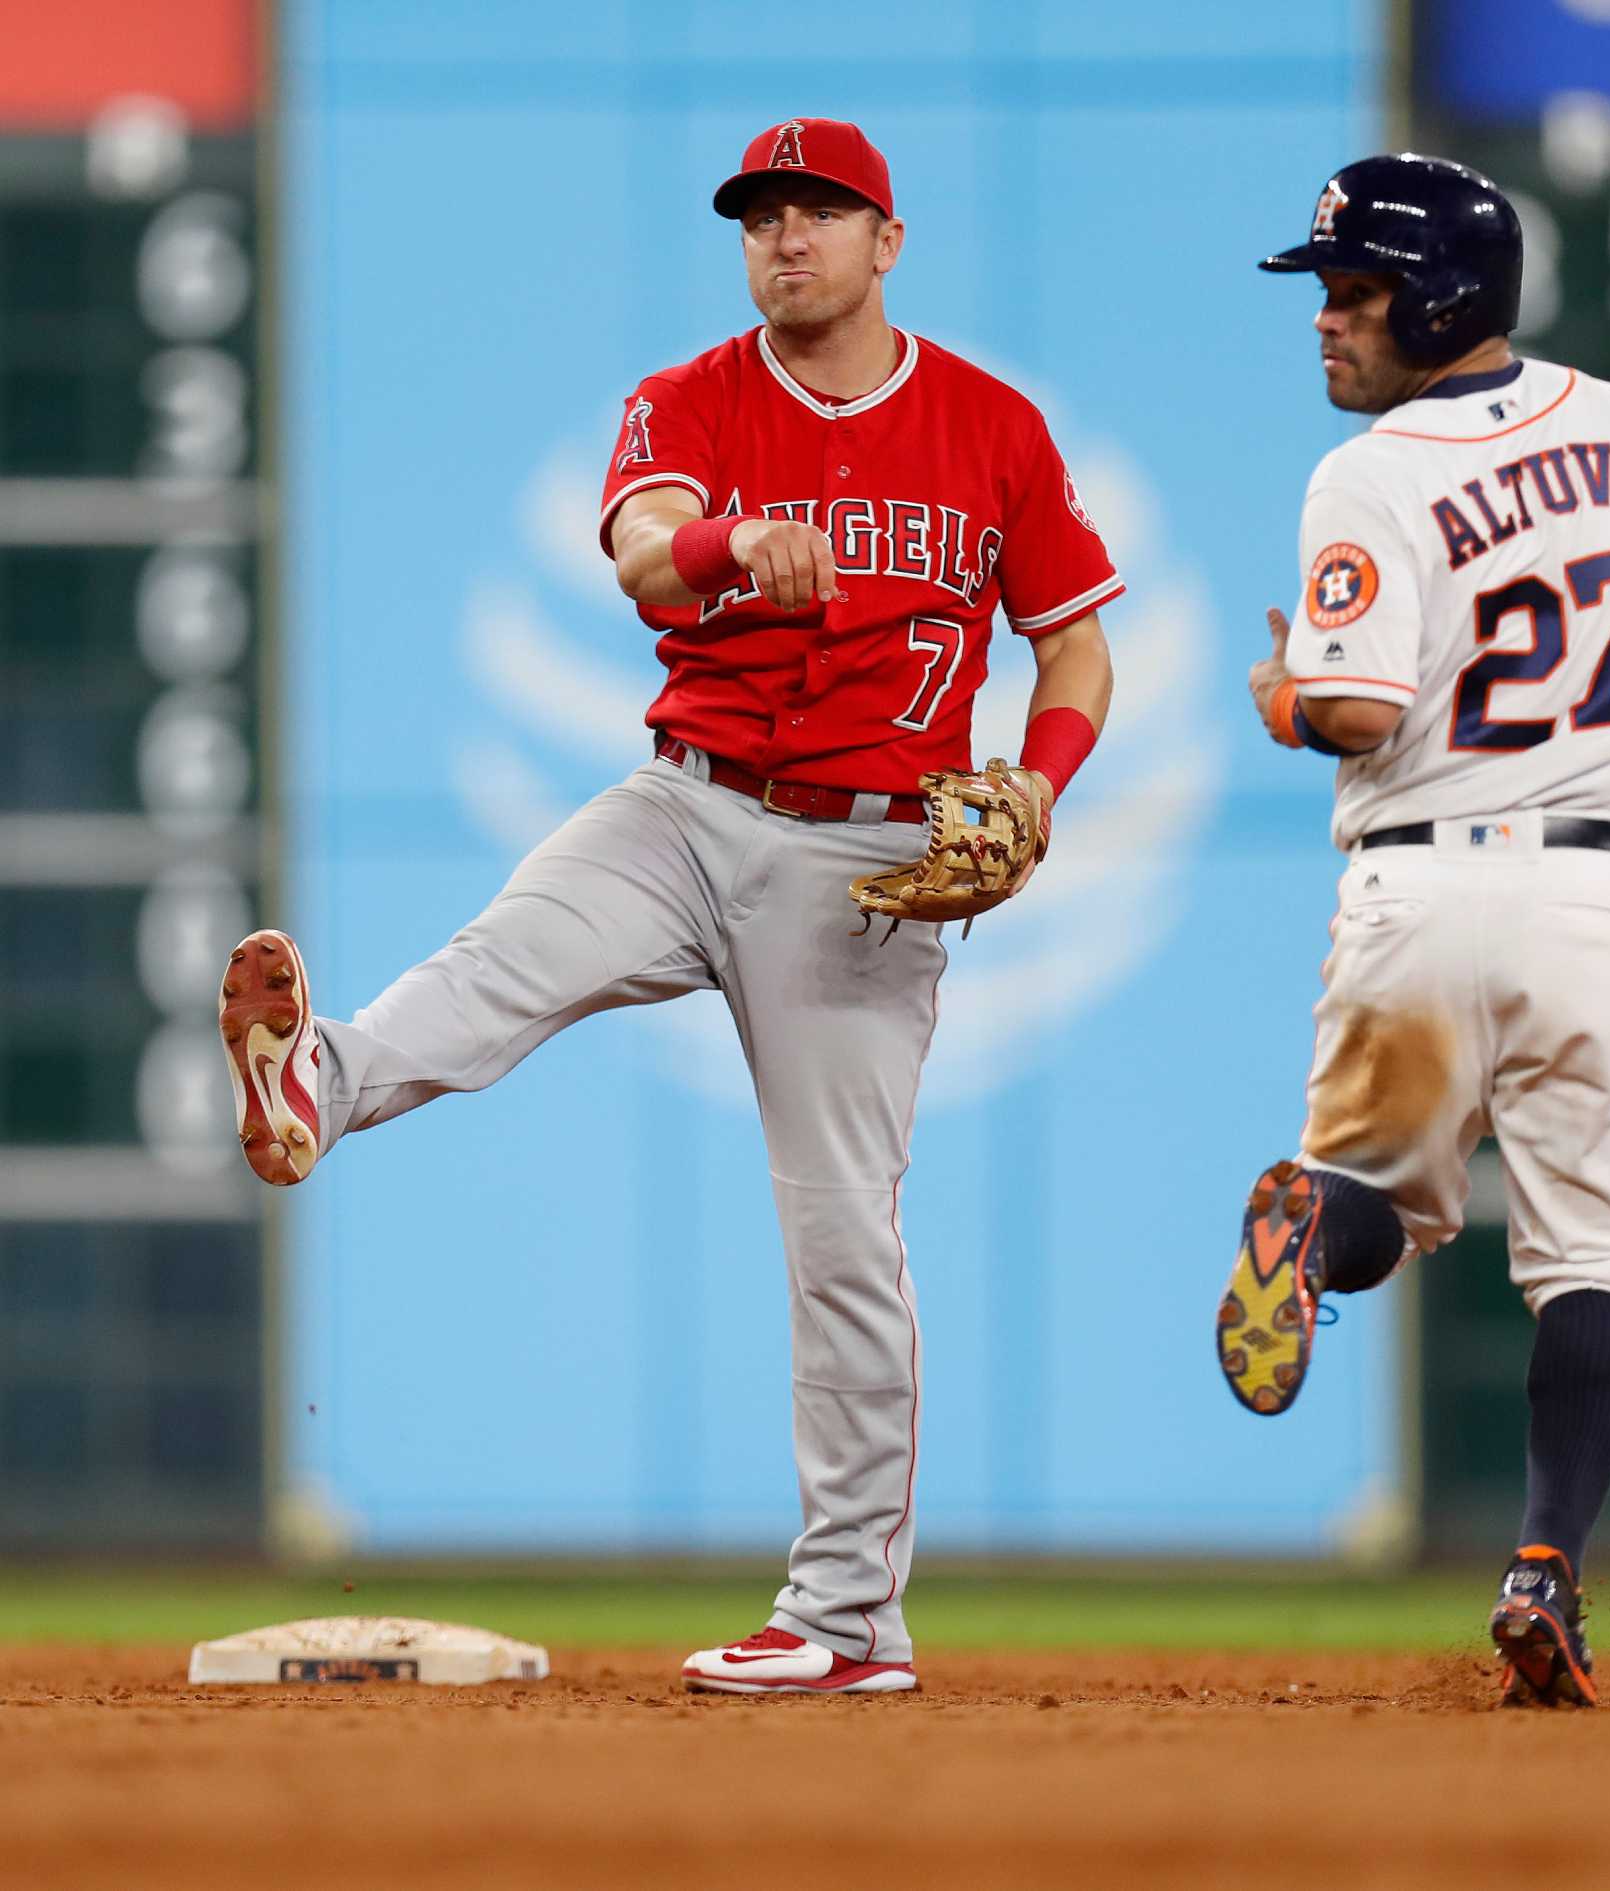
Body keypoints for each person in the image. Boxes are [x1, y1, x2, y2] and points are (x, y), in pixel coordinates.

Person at [218, 116, 1119, 1695]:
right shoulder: (690, 399)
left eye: (818, 214)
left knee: (842, 1236)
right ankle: (317, 1080)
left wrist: (1042, 777)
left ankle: (848, 1624)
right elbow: (645, 555)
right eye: (762, 217)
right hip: (687, 800)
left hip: (871, 858)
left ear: (885, 241)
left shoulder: (993, 429)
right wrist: (722, 542)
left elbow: (1076, 646)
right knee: (502, 961)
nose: (785, 240)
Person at [1213, 153, 1610, 1706]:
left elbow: (1349, 701)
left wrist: (1281, 696)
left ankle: (1306, 1222)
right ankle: (1546, 1565)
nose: (1328, 321)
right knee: (1601, 1261)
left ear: (1437, 296)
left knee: (1375, 1209)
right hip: (1587, 899)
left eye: (1352, 292)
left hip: (1413, 891)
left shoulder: (1372, 470)